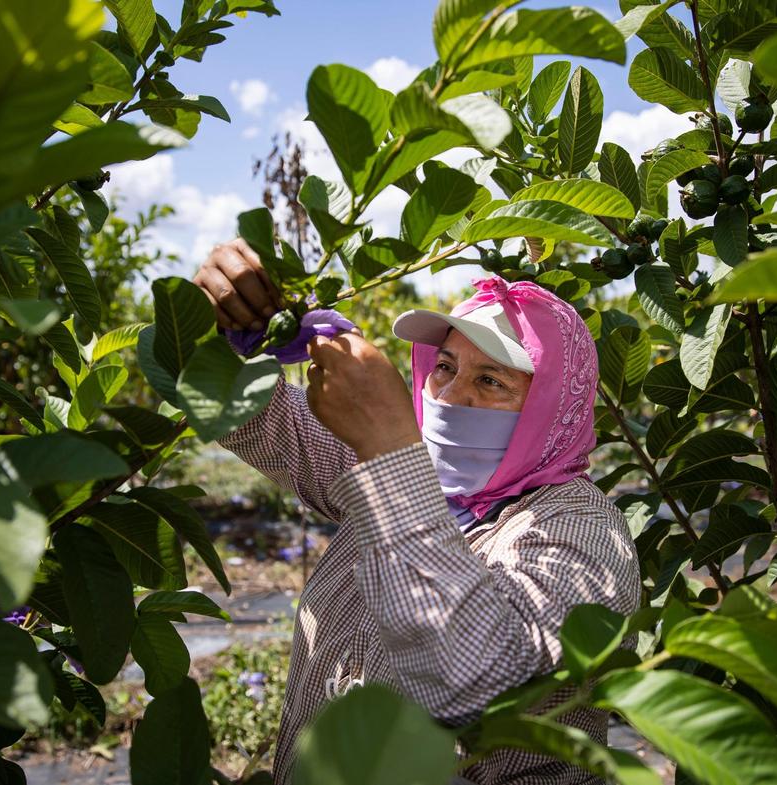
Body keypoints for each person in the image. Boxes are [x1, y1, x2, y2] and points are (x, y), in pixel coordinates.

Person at [194, 240, 641, 785]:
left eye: (491, 380)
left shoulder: (582, 533)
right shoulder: (415, 476)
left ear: (552, 409)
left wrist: (388, 451)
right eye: (445, 367)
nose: (452, 396)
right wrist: (229, 331)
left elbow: (469, 680)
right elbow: (266, 425)